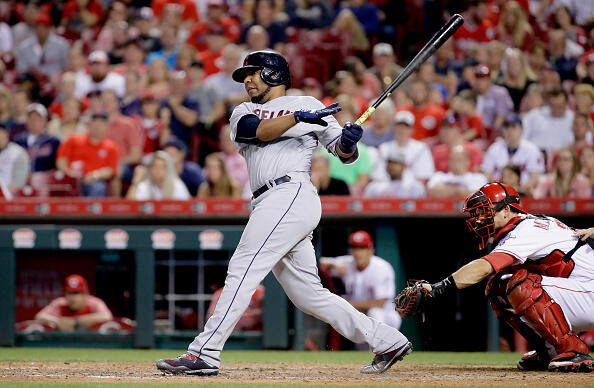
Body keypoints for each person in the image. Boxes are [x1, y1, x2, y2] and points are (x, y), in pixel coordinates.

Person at [157, 50, 412, 376]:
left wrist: (349, 141)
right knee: (309, 295)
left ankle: (204, 353)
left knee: (243, 268)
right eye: (244, 75)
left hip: (290, 192)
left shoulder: (309, 104)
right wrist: (296, 120)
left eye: (253, 72)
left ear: (274, 74)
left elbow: (343, 154)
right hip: (269, 201)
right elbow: (257, 131)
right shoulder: (243, 111)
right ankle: (387, 340)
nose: (247, 79)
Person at [398, 183, 594, 372]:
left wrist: (438, 288)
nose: (479, 218)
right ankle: (549, 350)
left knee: (520, 284)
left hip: (589, 293)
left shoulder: (528, 228)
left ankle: (574, 350)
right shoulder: (523, 227)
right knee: (497, 286)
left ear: (507, 210)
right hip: (578, 294)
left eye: (486, 210)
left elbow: (484, 266)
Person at [320, 231, 402, 331]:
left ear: (371, 250)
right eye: (354, 248)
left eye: (362, 248)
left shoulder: (381, 267)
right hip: (360, 315)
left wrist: (348, 304)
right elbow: (322, 262)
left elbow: (380, 303)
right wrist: (334, 265)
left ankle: (383, 345)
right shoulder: (348, 262)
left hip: (386, 317)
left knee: (374, 312)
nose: (358, 252)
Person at [56, 113, 119, 197]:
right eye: (95, 122)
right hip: (71, 180)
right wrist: (70, 174)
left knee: (98, 187)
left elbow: (111, 170)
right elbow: (61, 160)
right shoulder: (73, 140)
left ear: (106, 127)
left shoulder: (111, 147)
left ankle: (91, 209)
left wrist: (94, 175)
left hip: (94, 181)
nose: (97, 126)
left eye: (101, 123)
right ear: (89, 124)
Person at [481, 115, 545, 194]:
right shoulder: (494, 149)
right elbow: (486, 175)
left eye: (513, 127)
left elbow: (534, 178)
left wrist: (518, 190)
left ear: (521, 130)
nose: (510, 131)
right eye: (507, 128)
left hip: (523, 193)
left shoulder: (532, 150)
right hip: (498, 193)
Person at [34, 274, 113, 332]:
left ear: (85, 294)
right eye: (70, 293)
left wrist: (76, 321)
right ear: (65, 294)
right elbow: (39, 316)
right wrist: (58, 322)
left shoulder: (94, 303)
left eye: (76, 293)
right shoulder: (60, 303)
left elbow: (107, 316)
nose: (73, 297)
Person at [377, 110, 435, 184]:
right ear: (394, 127)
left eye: (406, 126)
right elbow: (378, 177)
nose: (402, 129)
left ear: (412, 129)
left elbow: (423, 178)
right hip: (388, 190)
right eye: (399, 125)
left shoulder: (421, 149)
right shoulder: (384, 149)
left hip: (411, 191)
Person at [522, 88, 575, 157]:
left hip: (564, 158)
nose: (556, 109)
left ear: (566, 103)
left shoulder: (574, 119)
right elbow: (522, 139)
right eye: (553, 106)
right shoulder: (534, 115)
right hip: (536, 155)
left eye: (559, 106)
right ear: (548, 103)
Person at [14, 103, 61, 173]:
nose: (34, 121)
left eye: (38, 118)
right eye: (31, 118)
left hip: (45, 181)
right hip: (22, 181)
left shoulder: (54, 142)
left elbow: (58, 166)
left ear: (45, 121)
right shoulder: (18, 140)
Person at [473, 64, 513, 135]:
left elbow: (501, 116)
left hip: (496, 134)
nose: (479, 82)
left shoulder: (499, 93)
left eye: (483, 78)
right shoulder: (472, 94)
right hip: (477, 133)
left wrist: (492, 134)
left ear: (490, 79)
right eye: (477, 78)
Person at [0, 123, 29, 193]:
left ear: (6, 134)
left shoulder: (17, 153)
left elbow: (19, 183)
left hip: (11, 197)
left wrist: (4, 194)